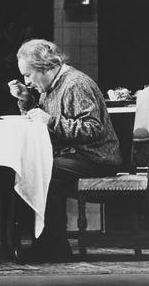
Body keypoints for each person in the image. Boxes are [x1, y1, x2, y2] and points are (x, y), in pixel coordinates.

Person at [8, 39, 122, 262]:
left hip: (96, 157)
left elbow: (93, 128)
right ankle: (43, 243)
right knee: (30, 168)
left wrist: (50, 121)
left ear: (46, 67)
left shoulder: (75, 84)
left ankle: (54, 247)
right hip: (74, 156)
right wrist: (27, 101)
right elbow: (44, 121)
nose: (27, 82)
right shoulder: (50, 87)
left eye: (28, 75)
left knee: (44, 172)